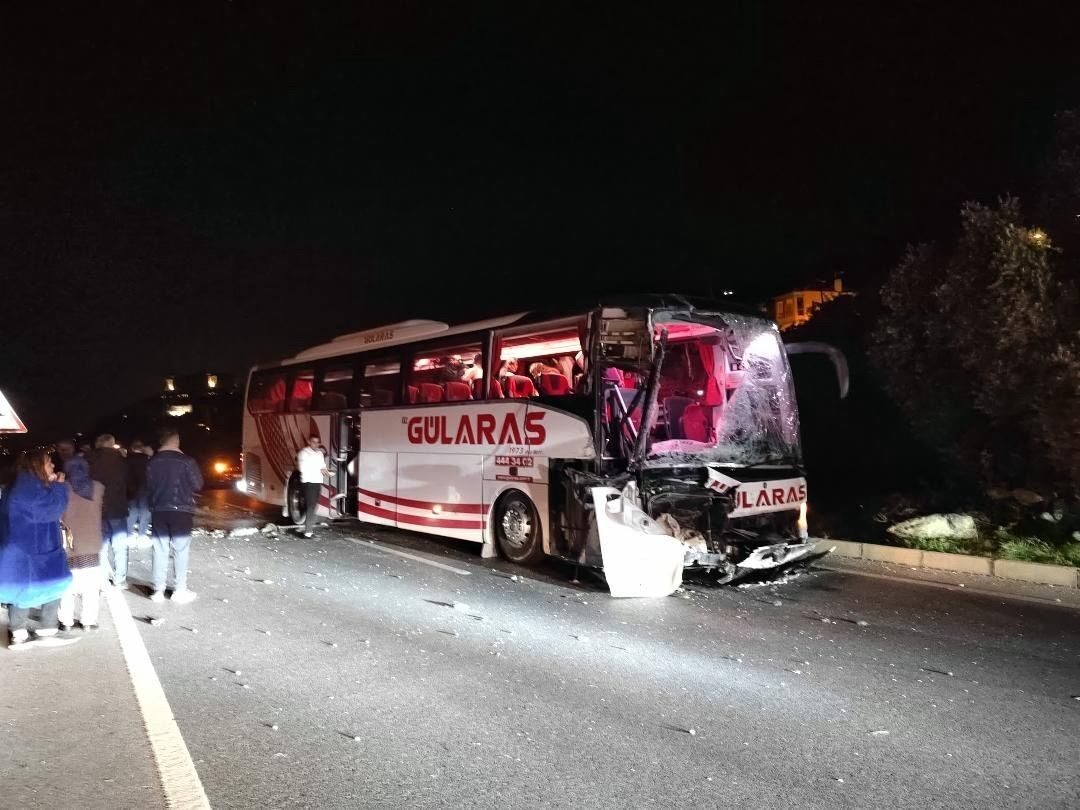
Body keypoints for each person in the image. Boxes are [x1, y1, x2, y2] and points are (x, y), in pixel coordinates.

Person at [0, 449, 74, 649]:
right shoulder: (28, 489)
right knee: (42, 586)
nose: (53, 466)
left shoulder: (23, 485)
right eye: (49, 462)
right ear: (37, 465)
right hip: (32, 551)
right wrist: (59, 487)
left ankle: (23, 632)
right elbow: (52, 509)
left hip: (25, 548)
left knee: (24, 589)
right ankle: (33, 632)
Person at [145, 429, 203, 603]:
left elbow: (148, 486)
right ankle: (179, 590)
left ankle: (158, 591)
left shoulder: (152, 462)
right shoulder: (187, 461)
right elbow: (198, 484)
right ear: (176, 441)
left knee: (159, 549)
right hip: (182, 511)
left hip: (159, 511)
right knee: (180, 550)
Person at [57, 459, 105, 631]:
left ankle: (66, 622)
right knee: (91, 585)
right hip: (92, 542)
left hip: (68, 542)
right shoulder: (98, 487)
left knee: (67, 584)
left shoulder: (62, 488)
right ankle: (88, 621)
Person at [88, 433, 130, 589]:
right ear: (112, 444)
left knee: (101, 545)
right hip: (118, 508)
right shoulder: (122, 461)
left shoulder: (89, 459)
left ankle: (102, 577)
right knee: (120, 546)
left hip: (97, 508)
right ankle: (120, 580)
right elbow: (131, 483)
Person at [296, 435, 327, 539]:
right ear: (309, 442)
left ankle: (308, 529)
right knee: (310, 506)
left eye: (317, 442)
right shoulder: (303, 453)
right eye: (313, 442)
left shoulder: (319, 454)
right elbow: (302, 469)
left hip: (317, 481)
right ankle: (308, 532)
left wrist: (327, 472)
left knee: (314, 506)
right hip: (308, 482)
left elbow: (323, 467)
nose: (315, 444)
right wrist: (318, 469)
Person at [126, 439, 152, 547]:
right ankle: (142, 534)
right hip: (144, 488)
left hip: (131, 489)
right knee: (145, 511)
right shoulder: (148, 460)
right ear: (142, 449)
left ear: (132, 448)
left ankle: (129, 534)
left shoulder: (126, 460)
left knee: (132, 511)